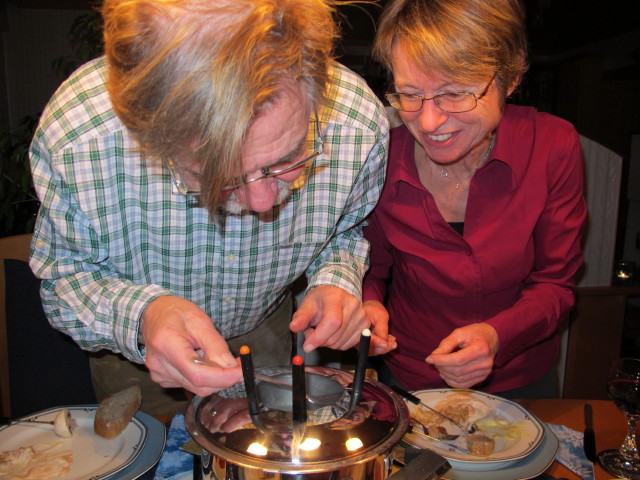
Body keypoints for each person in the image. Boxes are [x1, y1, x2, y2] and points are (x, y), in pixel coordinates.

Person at [28, 0, 393, 414]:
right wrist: (145, 316)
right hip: (139, 359)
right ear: (150, 135)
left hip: (268, 333)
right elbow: (65, 277)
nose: (262, 204)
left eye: (287, 159)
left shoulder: (356, 126)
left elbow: (346, 230)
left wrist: (335, 278)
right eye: (216, 177)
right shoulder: (80, 140)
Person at [362, 0, 586, 398]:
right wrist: (368, 306)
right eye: (410, 94)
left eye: (455, 94)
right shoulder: (381, 156)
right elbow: (372, 271)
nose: (428, 123)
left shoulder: (552, 145)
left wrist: (497, 336)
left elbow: (556, 283)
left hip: (521, 380)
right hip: (410, 380)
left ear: (510, 75)